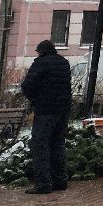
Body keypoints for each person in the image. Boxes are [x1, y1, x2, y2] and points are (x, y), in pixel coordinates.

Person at [20, 39, 72, 194]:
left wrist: (34, 98)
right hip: (63, 110)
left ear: (40, 51)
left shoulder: (40, 63)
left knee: (40, 145)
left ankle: (43, 183)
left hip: (45, 110)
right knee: (57, 144)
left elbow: (27, 86)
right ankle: (61, 180)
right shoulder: (64, 63)